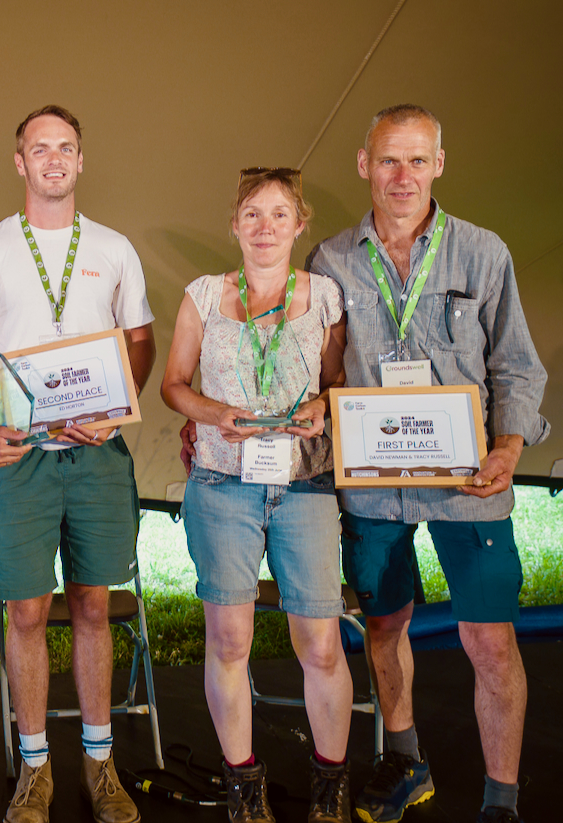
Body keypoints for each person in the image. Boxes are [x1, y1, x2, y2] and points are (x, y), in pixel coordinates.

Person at [308, 105, 547, 823]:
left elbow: (516, 365)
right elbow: (321, 373)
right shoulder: (331, 259)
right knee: (385, 627)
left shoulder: (483, 252)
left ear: (440, 164)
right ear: (363, 164)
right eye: (389, 160)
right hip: (375, 489)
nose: (403, 176)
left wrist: (508, 447)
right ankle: (407, 762)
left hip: (467, 481)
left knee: (490, 640)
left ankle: (500, 799)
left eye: (417, 160)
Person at [0, 105, 156, 823]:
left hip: (97, 454)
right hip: (21, 458)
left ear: (81, 158)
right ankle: (35, 766)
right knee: (28, 610)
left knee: (95, 604)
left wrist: (119, 401)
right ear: (20, 162)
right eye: (39, 149)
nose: (53, 159)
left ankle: (100, 765)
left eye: (65, 147)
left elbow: (140, 340)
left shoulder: (115, 247)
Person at [162, 168, 352, 823]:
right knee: (229, 640)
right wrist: (213, 413)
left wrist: (324, 409)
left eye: (278, 214)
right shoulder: (204, 295)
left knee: (321, 643)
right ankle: (244, 784)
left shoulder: (326, 294)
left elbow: (340, 384)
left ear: (300, 224)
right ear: (234, 224)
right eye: (252, 214)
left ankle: (330, 782)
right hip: (222, 483)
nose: (265, 227)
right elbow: (173, 384)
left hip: (304, 486)